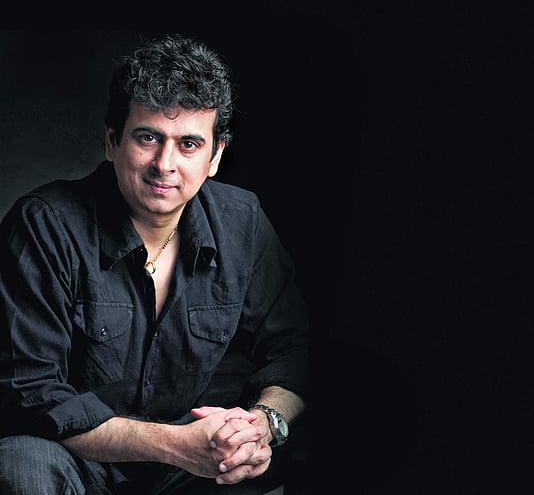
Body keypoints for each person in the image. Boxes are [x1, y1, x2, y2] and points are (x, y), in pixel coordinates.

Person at [0, 33, 310, 494]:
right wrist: (173, 444)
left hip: (184, 468)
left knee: (269, 458)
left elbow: (297, 350)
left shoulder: (242, 222)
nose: (165, 164)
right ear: (112, 142)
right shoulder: (44, 225)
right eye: (148, 138)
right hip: (76, 458)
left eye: (189, 144)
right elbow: (29, 393)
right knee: (18, 463)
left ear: (215, 157)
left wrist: (263, 424)